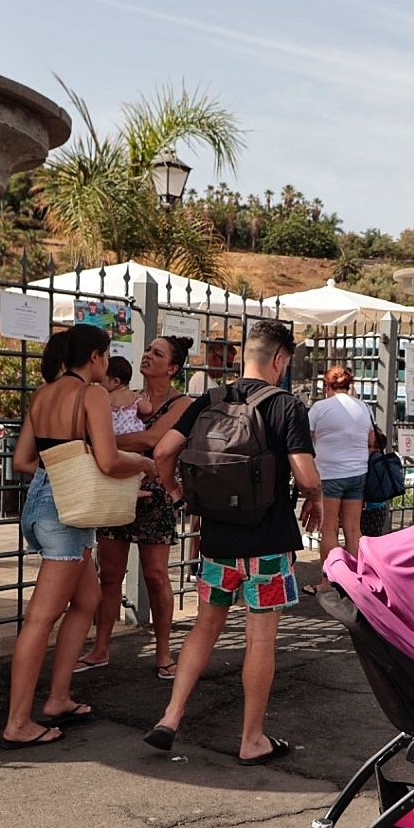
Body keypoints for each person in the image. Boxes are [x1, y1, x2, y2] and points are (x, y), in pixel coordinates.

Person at [144, 320, 323, 764]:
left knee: (205, 628)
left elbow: (164, 451)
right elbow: (305, 476)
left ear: (248, 354)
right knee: (260, 639)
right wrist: (315, 497)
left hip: (216, 540)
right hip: (266, 543)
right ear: (279, 359)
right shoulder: (286, 406)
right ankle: (252, 739)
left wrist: (176, 492)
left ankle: (170, 716)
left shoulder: (210, 399)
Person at [3, 325, 156, 749]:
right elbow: (107, 460)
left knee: (87, 601)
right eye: (106, 356)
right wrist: (143, 465)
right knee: (40, 617)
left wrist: (63, 478)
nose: (107, 366)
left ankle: (57, 698)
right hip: (65, 516)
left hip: (41, 503)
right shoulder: (91, 393)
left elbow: (23, 460)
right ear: (95, 357)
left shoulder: (43, 394)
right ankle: (18, 722)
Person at [79, 336, 195, 680]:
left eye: (157, 353)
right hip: (116, 489)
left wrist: (103, 443)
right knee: (110, 574)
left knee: (157, 576)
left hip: (155, 493)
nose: (147, 356)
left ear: (172, 368)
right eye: (147, 350)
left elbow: (152, 439)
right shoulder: (127, 397)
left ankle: (163, 653)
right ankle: (100, 649)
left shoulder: (183, 403)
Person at [304, 365, 376, 596]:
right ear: (350, 385)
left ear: (327, 386)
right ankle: (355, 582)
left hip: (329, 474)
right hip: (357, 473)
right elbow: (372, 440)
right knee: (354, 529)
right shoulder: (364, 408)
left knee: (330, 529)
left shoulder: (320, 408)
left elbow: (306, 439)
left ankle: (328, 583)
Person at [103, 355, 142, 435]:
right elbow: (147, 409)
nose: (99, 383)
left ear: (116, 381)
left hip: (113, 433)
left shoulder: (107, 396)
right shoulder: (134, 395)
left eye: (102, 379)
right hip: (133, 432)